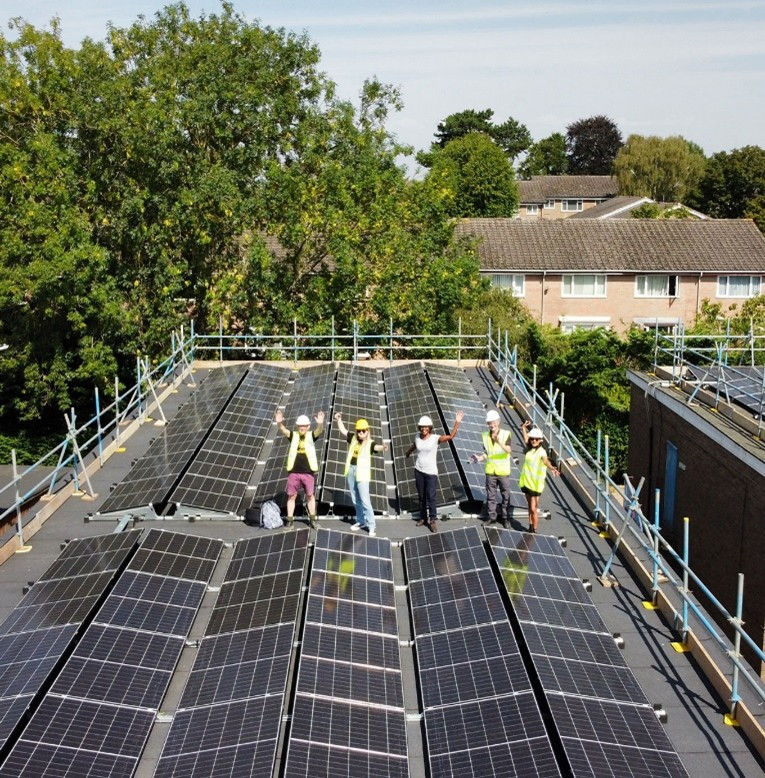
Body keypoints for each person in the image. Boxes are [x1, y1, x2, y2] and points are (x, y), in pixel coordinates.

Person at [405, 411, 464, 532]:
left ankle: (432, 520)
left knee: (431, 497)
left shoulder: (435, 438)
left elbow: (451, 436)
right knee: (422, 496)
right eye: (422, 427)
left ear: (430, 428)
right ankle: (423, 518)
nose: (423, 429)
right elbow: (415, 445)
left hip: (431, 473)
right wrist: (408, 452)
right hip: (419, 470)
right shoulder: (417, 436)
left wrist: (457, 422)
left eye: (426, 427)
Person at [334, 413, 386, 537]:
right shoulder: (353, 438)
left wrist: (383, 447)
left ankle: (371, 525)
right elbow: (343, 430)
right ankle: (361, 521)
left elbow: (376, 447)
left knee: (365, 500)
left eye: (363, 431)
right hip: (351, 471)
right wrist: (339, 420)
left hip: (362, 474)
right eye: (359, 431)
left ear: (367, 431)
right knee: (355, 499)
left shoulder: (370, 443)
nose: (361, 433)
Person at [275, 409, 324, 528]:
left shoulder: (311, 436)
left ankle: (312, 520)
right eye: (300, 426)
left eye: (304, 426)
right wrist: (279, 423)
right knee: (291, 496)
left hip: (308, 472)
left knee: (310, 496)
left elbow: (319, 431)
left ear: (308, 426)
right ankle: (290, 521)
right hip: (294, 472)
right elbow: (284, 430)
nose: (302, 428)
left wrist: (320, 423)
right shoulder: (293, 435)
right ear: (297, 426)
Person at [470, 409, 512, 526]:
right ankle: (491, 517)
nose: (491, 425)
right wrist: (479, 458)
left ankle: (505, 518)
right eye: (489, 423)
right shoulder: (485, 436)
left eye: (493, 422)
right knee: (491, 496)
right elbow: (488, 453)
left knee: (505, 496)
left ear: (498, 422)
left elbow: (508, 450)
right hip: (490, 471)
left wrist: (499, 441)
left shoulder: (506, 434)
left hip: (503, 471)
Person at [519, 420, 559, 533]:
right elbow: (526, 439)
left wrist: (551, 468)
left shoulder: (542, 452)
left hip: (536, 486)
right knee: (529, 507)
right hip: (527, 482)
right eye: (532, 439)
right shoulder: (529, 448)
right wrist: (523, 428)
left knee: (533, 508)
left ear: (540, 440)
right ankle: (530, 526)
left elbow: (545, 461)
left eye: (536, 439)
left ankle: (534, 530)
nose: (533, 441)